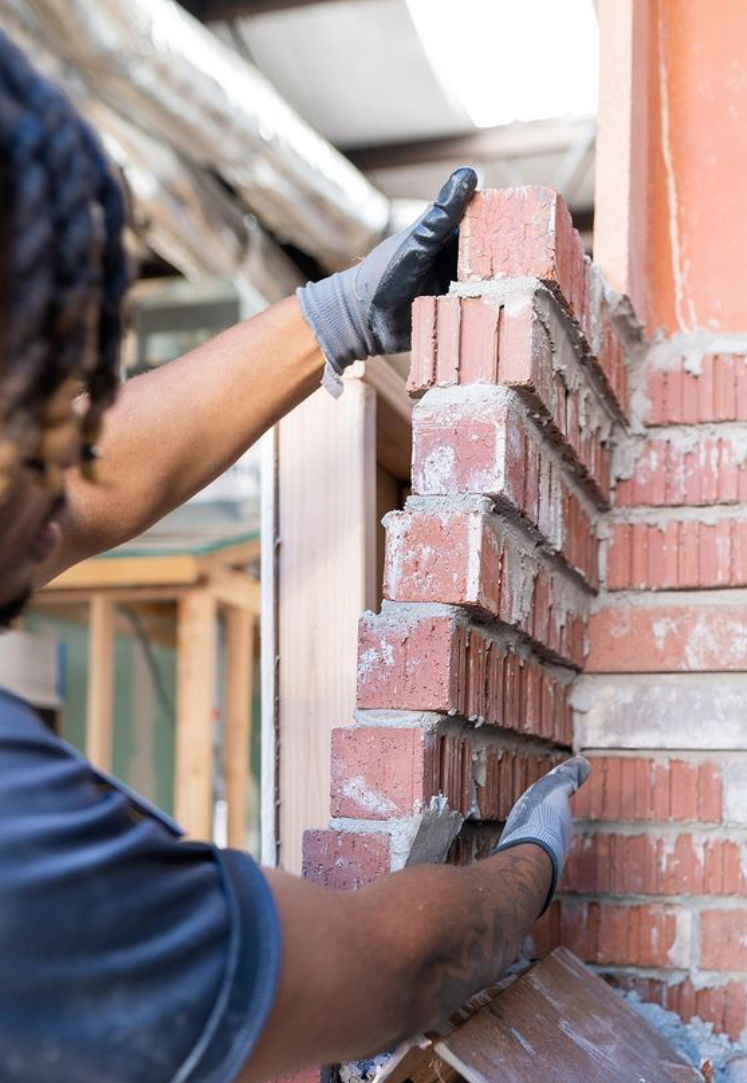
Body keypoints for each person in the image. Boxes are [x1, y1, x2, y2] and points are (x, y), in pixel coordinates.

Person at [0, 31, 589, 1083]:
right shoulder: (23, 849)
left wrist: (332, 317)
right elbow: (391, 972)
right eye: (50, 434)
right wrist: (531, 872)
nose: (66, 493)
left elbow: (85, 493)